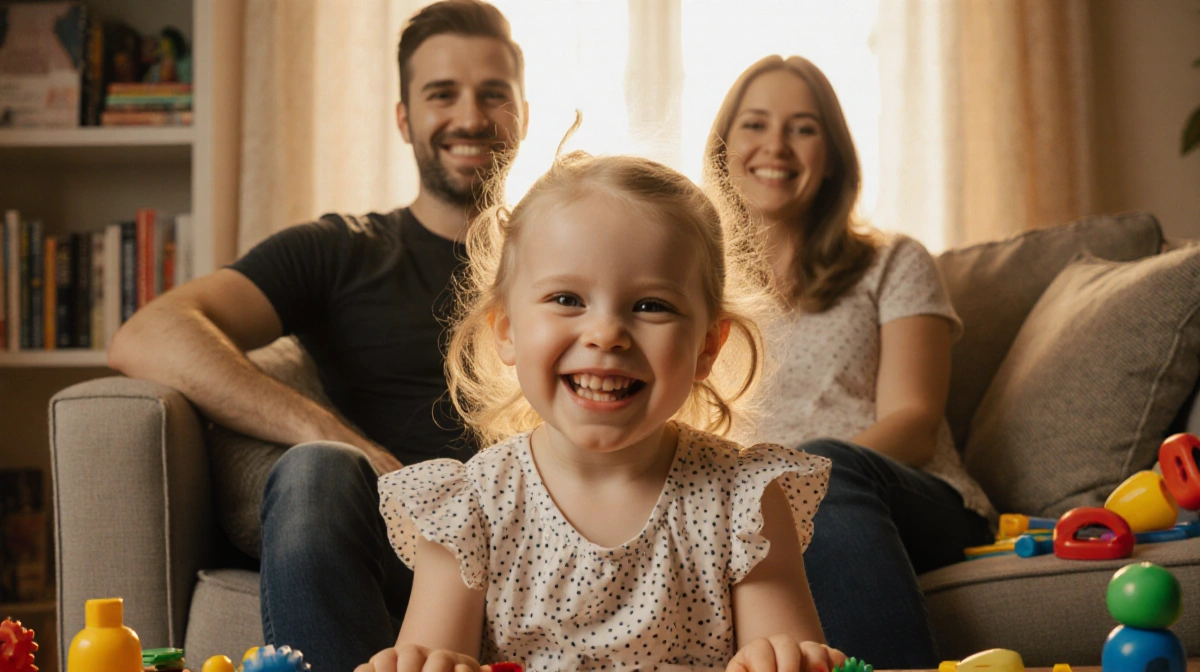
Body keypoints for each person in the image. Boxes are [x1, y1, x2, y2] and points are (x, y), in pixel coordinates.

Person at [106, 2, 528, 670]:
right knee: (317, 467)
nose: (470, 117)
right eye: (442, 94)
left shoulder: (565, 255)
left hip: (539, 541)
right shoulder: (341, 251)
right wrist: (328, 432)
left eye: (493, 94)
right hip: (396, 540)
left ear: (523, 113)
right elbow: (148, 333)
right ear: (404, 118)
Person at [357, 150, 844, 672]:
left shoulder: (745, 502)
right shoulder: (468, 510)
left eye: (651, 305)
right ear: (507, 331)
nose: (607, 334)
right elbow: (434, 659)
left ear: (707, 346)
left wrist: (782, 656)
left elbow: (784, 657)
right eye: (567, 299)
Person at [703, 55, 997, 668]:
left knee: (824, 469)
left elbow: (915, 423)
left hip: (903, 494)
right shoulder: (699, 290)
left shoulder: (893, 262)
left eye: (803, 128)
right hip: (753, 523)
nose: (776, 146)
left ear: (832, 154)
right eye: (755, 124)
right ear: (724, 146)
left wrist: (789, 486)